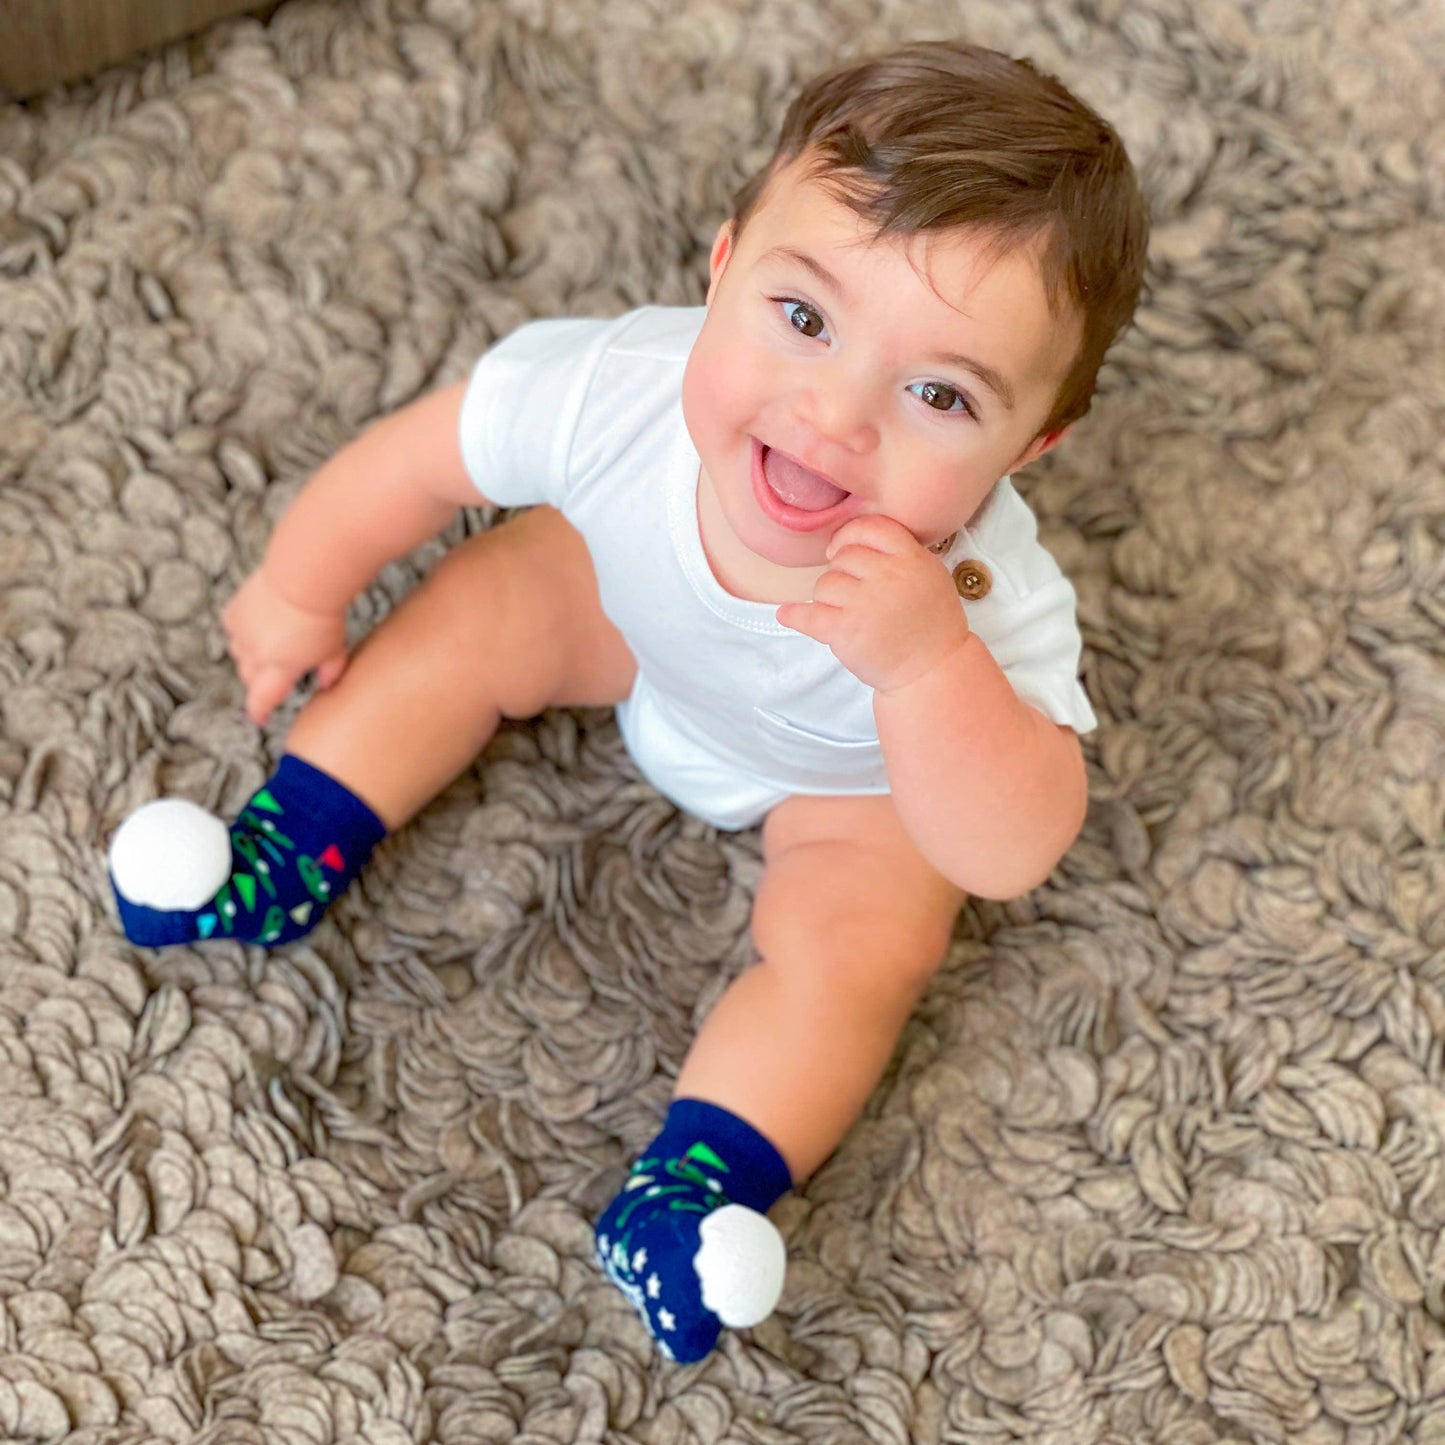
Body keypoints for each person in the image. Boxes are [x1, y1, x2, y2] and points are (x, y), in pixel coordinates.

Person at [107, 40, 1149, 1362]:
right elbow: (420, 461)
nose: (832, 414)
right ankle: (288, 833)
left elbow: (1010, 845)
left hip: (846, 773)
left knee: (860, 952)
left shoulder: (984, 596)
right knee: (486, 598)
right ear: (719, 270)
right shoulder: (619, 396)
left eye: (939, 394)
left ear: (1026, 446)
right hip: (635, 621)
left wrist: (926, 668)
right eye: (804, 317)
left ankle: (695, 1179)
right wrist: (299, 586)